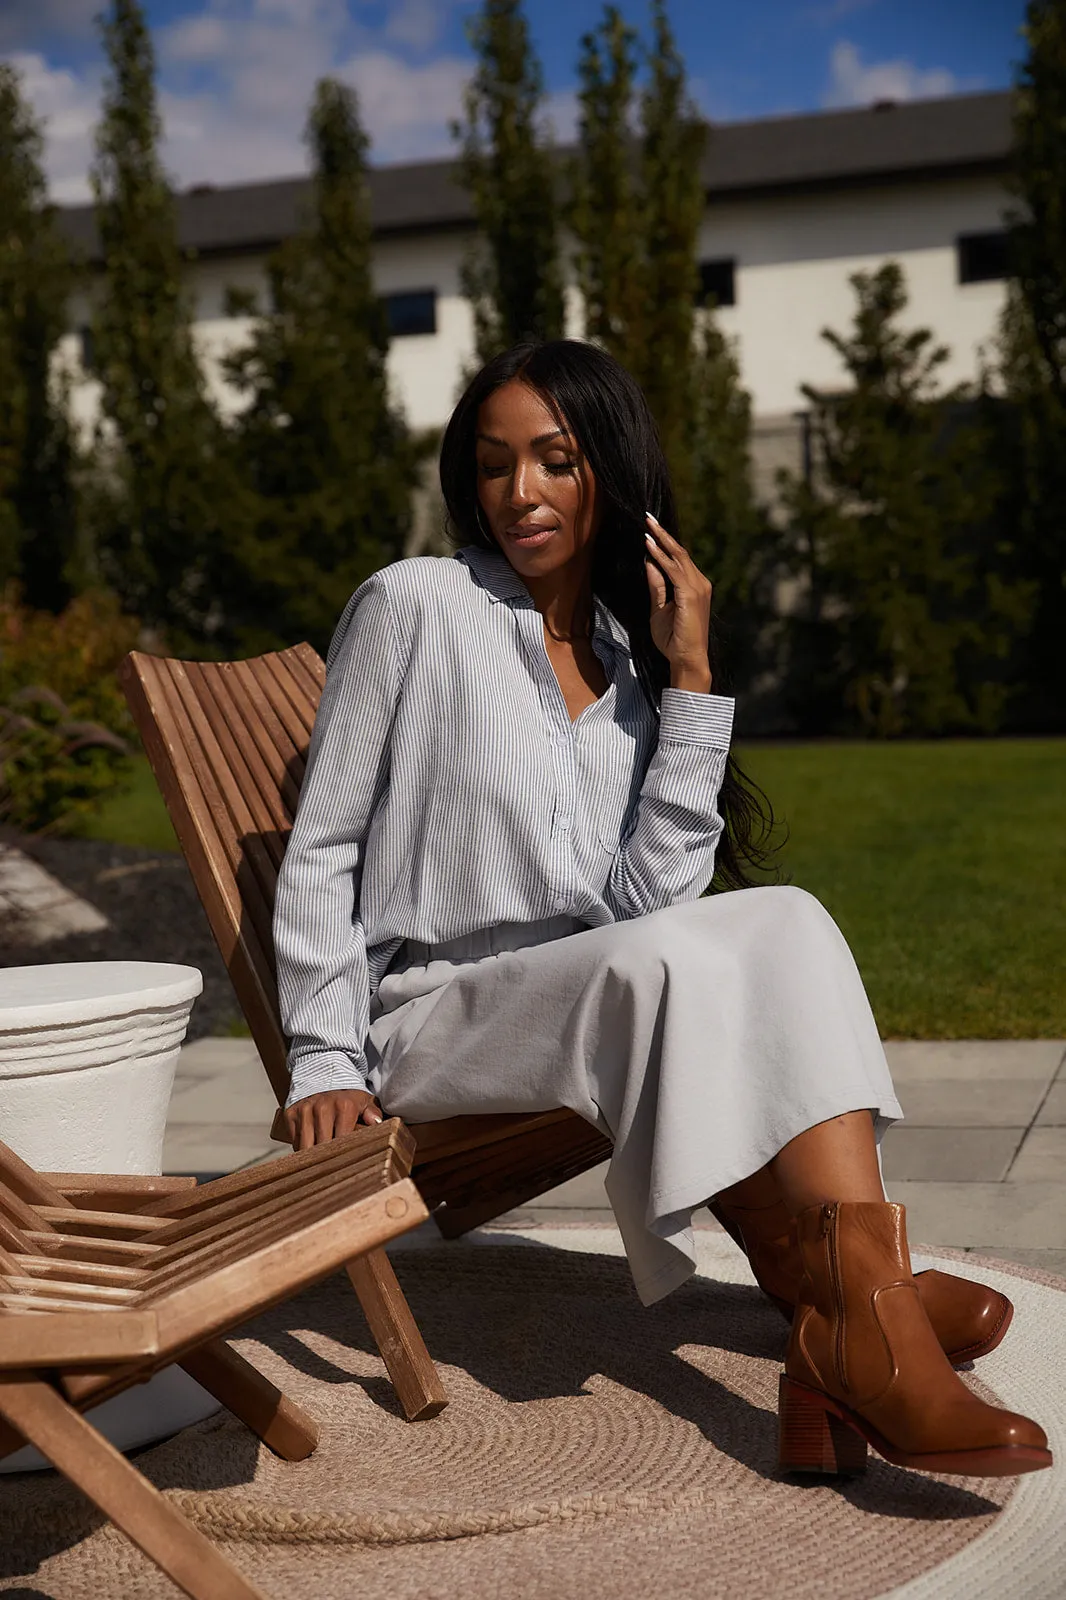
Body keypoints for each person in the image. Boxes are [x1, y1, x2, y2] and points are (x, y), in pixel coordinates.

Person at [273, 338, 1051, 1479]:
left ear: (611, 475)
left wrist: (687, 679)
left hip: (581, 998)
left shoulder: (624, 666)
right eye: (495, 465)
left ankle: (849, 1302)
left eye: (555, 459)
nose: (521, 493)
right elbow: (322, 843)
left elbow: (648, 900)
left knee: (782, 915)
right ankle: (847, 1300)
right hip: (433, 1017)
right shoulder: (415, 603)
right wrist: (322, 1054)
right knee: (659, 973)